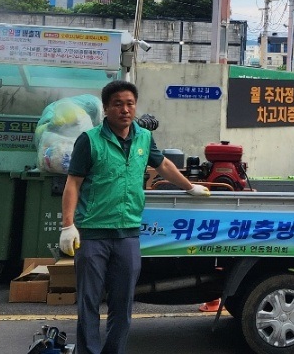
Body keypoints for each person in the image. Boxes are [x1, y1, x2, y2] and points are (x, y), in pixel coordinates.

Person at [59, 80, 209, 354]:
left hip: (128, 234)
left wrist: (190, 187)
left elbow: (162, 164)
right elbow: (73, 183)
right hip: (93, 234)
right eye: (118, 104)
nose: (125, 110)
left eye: (129, 104)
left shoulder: (143, 138)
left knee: (123, 303)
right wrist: (68, 225)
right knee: (89, 302)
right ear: (106, 108)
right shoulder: (89, 140)